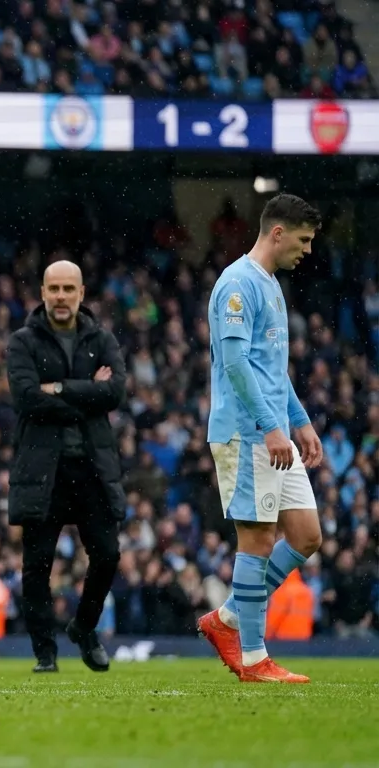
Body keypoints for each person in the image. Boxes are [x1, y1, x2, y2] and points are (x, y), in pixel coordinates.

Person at [197, 194, 324, 684]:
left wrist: (300, 421)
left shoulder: (270, 285)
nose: (308, 250)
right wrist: (272, 428)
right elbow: (235, 365)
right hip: (246, 433)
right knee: (257, 538)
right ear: (277, 233)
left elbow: (272, 371)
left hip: (272, 432)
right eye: (304, 239)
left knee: (306, 535)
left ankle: (229, 617)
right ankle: (253, 658)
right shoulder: (237, 284)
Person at [6, 260, 125, 674]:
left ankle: (84, 627)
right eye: (53, 289)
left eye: (67, 289)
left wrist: (57, 388)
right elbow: (25, 397)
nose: (60, 297)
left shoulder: (102, 338)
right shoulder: (22, 342)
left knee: (108, 555)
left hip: (92, 467)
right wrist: (87, 393)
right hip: (43, 469)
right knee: (37, 565)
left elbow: (115, 393)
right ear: (42, 293)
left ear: (81, 293)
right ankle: (45, 654)